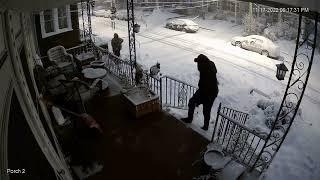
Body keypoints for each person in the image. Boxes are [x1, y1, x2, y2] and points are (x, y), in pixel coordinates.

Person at [181, 54, 219, 130]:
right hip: (208, 91)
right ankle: (202, 124)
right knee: (200, 107)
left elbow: (204, 85)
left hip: (209, 93)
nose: (197, 64)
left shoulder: (205, 70)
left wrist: (199, 100)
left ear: (202, 63)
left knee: (203, 108)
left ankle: (202, 125)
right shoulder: (208, 65)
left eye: (198, 62)